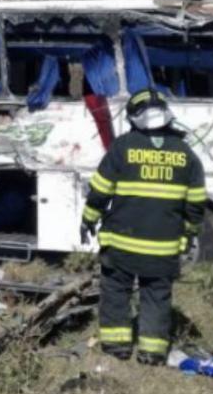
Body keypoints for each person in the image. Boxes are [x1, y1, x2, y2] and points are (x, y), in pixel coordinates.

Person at [81, 90, 206, 365]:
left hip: (122, 243)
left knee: (116, 291)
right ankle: (152, 351)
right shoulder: (185, 154)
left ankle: (117, 347)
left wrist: (88, 218)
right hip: (163, 247)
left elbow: (100, 190)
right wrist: (188, 232)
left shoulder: (123, 146)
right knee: (157, 296)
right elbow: (196, 203)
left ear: (134, 117)